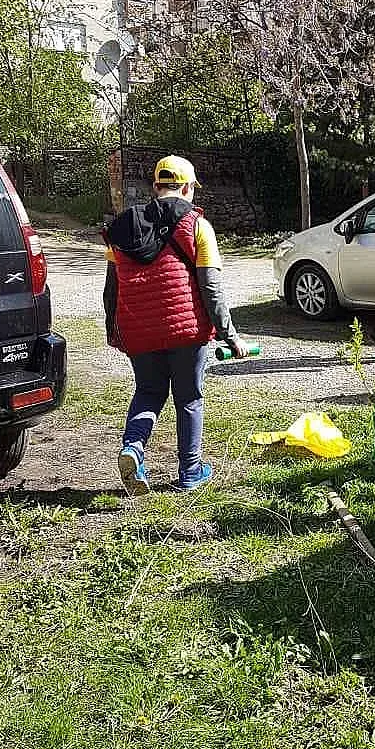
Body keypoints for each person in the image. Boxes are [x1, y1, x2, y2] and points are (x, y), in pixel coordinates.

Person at [103, 155, 248, 496]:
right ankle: (190, 472)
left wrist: (115, 330)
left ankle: (133, 449)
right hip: (186, 331)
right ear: (186, 187)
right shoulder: (197, 225)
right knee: (189, 399)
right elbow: (211, 289)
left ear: (156, 187)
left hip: (138, 329)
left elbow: (112, 288)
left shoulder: (122, 227)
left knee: (149, 392)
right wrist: (230, 335)